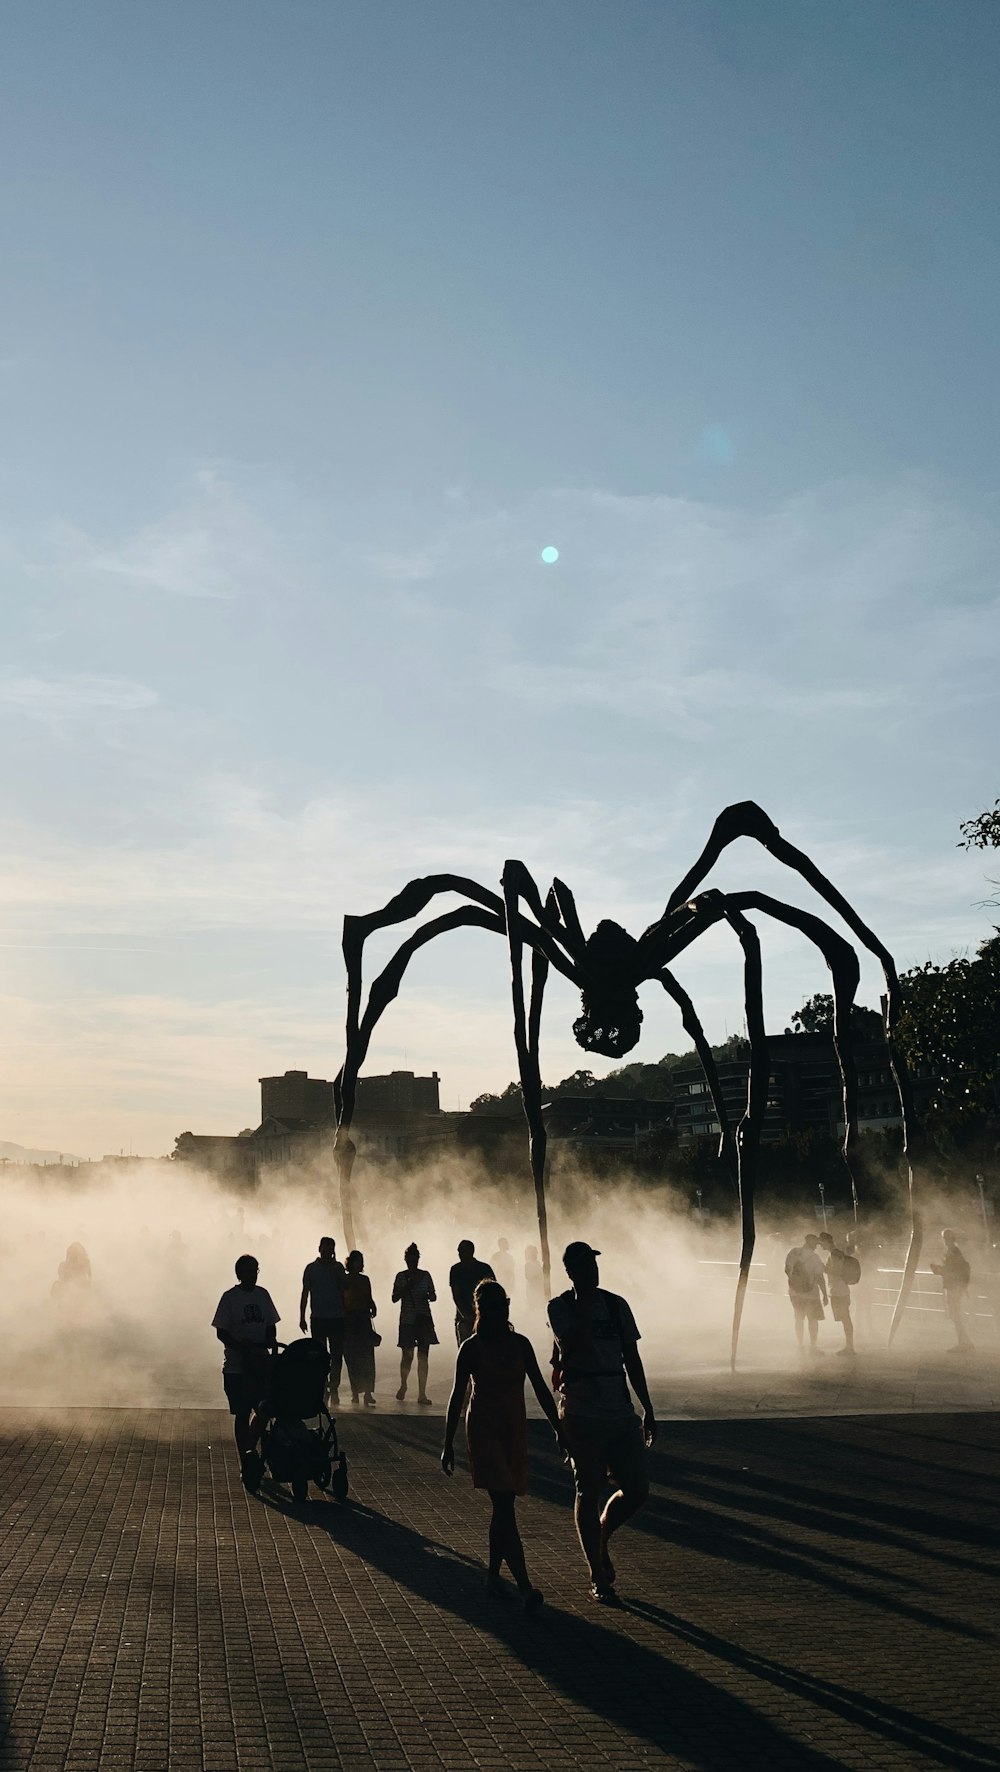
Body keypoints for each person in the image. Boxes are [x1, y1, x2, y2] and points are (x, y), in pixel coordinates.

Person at [442, 1279, 563, 1613]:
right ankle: (524, 1586)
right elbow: (457, 1396)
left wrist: (558, 1429)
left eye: (505, 1304)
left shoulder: (520, 1344)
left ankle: (493, 1576)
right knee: (505, 1504)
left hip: (513, 1430)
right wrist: (447, 1442)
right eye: (494, 1306)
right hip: (484, 1430)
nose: (501, 1311)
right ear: (480, 1309)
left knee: (503, 1505)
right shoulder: (471, 1347)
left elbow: (540, 1388)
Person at [548, 1242, 656, 1604]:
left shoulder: (616, 1304)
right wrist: (582, 1303)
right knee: (588, 1487)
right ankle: (598, 1573)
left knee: (638, 1488)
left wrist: (648, 1407)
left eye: (594, 1263)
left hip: (618, 1406)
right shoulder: (559, 1307)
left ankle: (602, 1534)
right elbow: (574, 1344)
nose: (592, 1270)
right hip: (581, 1409)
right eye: (583, 1265)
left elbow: (632, 1357)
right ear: (570, 1271)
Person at [212, 1253, 279, 1483]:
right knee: (242, 1413)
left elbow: (271, 1324)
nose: (252, 1275)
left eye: (255, 1271)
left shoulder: (263, 1295)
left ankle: (251, 1447)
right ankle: (245, 1458)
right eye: (248, 1271)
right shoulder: (230, 1298)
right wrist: (240, 1346)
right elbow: (221, 1331)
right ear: (239, 1274)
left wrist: (270, 1341)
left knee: (263, 1410)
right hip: (237, 1367)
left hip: (260, 1363)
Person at [299, 1236, 347, 1405]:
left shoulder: (338, 1268)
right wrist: (302, 1316)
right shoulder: (311, 1269)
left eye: (330, 1249)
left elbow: (344, 1291)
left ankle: (334, 1386)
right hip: (318, 1318)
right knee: (319, 1355)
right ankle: (322, 1386)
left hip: (336, 1317)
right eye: (325, 1249)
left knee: (336, 1355)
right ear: (319, 1249)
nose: (327, 1252)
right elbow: (305, 1293)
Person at [392, 1243, 438, 1403]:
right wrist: (407, 1287)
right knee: (407, 1356)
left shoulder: (426, 1276)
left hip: (423, 1319)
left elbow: (433, 1295)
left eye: (414, 1260)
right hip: (407, 1320)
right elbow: (394, 1298)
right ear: (406, 1260)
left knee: (423, 1357)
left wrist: (429, 1295)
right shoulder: (401, 1277)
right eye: (409, 1260)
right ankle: (404, 1384)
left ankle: (422, 1393)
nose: (412, 1263)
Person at [343, 1249, 378, 1406]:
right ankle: (355, 1392)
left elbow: (369, 1298)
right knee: (353, 1357)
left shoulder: (365, 1280)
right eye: (358, 1260)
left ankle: (368, 1392)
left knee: (367, 1357)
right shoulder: (345, 1280)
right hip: (350, 1319)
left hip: (363, 1318)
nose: (360, 1263)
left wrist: (372, 1306)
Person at [784, 1232, 828, 1354]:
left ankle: (800, 1344)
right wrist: (824, 1294)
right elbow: (819, 1277)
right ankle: (813, 1346)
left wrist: (795, 1283)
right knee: (813, 1319)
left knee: (799, 1317)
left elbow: (787, 1270)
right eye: (816, 1244)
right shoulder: (815, 1258)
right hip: (811, 1293)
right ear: (812, 1243)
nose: (816, 1246)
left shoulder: (793, 1252)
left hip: (794, 1292)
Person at [930, 1229, 973, 1352]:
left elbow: (952, 1271)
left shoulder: (953, 1253)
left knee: (955, 1315)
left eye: (945, 1238)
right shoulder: (954, 1252)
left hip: (953, 1286)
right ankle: (965, 1342)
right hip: (956, 1286)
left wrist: (939, 1270)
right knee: (956, 1315)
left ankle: (964, 1343)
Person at [448, 1240, 495, 1344]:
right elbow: (456, 1295)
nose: (460, 1254)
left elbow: (493, 1291)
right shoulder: (455, 1270)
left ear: (471, 1251)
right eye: (459, 1252)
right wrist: (465, 1315)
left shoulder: (484, 1268)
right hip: (464, 1317)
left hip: (483, 1316)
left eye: (463, 1251)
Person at [819, 1230, 856, 1355]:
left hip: (839, 1291)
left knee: (845, 1318)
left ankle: (849, 1347)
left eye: (821, 1243)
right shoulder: (835, 1253)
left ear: (825, 1241)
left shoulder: (834, 1254)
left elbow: (837, 1271)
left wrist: (823, 1268)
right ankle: (849, 1346)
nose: (820, 1245)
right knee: (845, 1318)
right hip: (840, 1290)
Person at [524, 1244, 546, 1317]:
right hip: (532, 1288)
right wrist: (536, 1278)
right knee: (532, 1306)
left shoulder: (538, 1263)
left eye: (536, 1252)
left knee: (540, 1305)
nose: (536, 1254)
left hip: (539, 1287)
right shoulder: (528, 1264)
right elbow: (528, 1276)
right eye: (534, 1252)